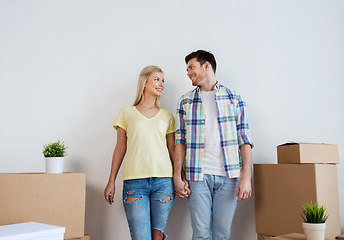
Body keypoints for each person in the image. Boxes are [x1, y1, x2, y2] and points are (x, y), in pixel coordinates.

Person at [173, 50, 254, 240]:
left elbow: (245, 140)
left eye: (191, 67)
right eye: (187, 70)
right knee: (200, 235)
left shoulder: (234, 98)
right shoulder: (185, 101)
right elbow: (180, 141)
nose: (188, 73)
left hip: (229, 176)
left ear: (206, 66)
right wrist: (177, 175)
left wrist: (246, 177)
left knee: (222, 235)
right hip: (197, 176)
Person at [104, 65, 176, 240]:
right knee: (140, 237)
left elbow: (172, 149)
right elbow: (120, 148)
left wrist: (180, 176)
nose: (161, 84)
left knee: (157, 237)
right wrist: (111, 181)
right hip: (134, 184)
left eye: (163, 80)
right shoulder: (127, 112)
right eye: (157, 79)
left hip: (164, 182)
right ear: (144, 82)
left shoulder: (167, 115)